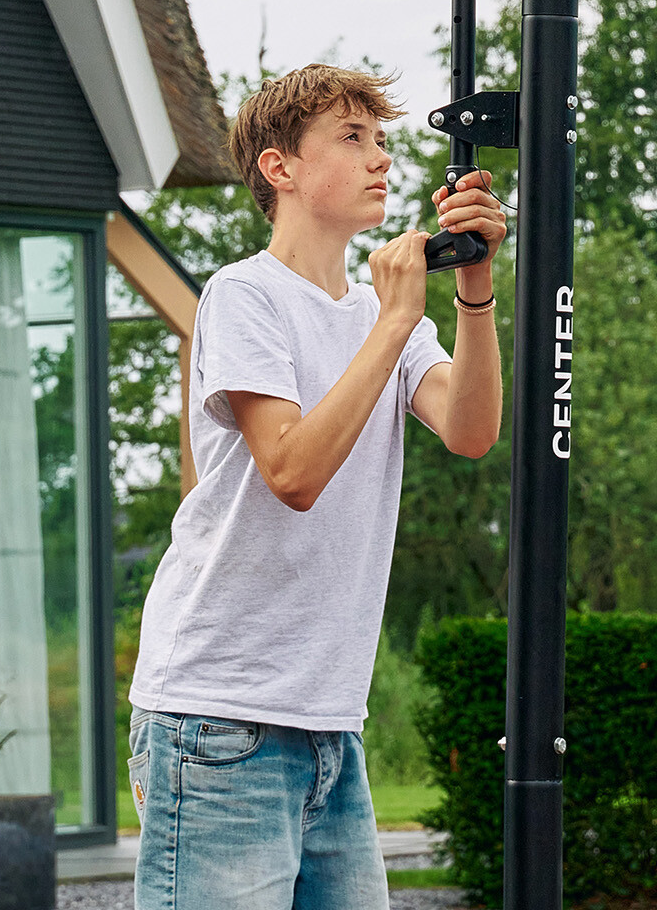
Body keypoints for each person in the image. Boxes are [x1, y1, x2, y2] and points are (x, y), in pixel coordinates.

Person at [127, 63, 506, 910]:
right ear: (280, 168)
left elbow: (473, 430)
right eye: (352, 137)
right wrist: (399, 317)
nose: (380, 160)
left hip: (332, 724)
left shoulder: (380, 320)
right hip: (217, 719)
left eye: (382, 140)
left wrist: (473, 295)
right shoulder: (244, 296)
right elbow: (293, 470)